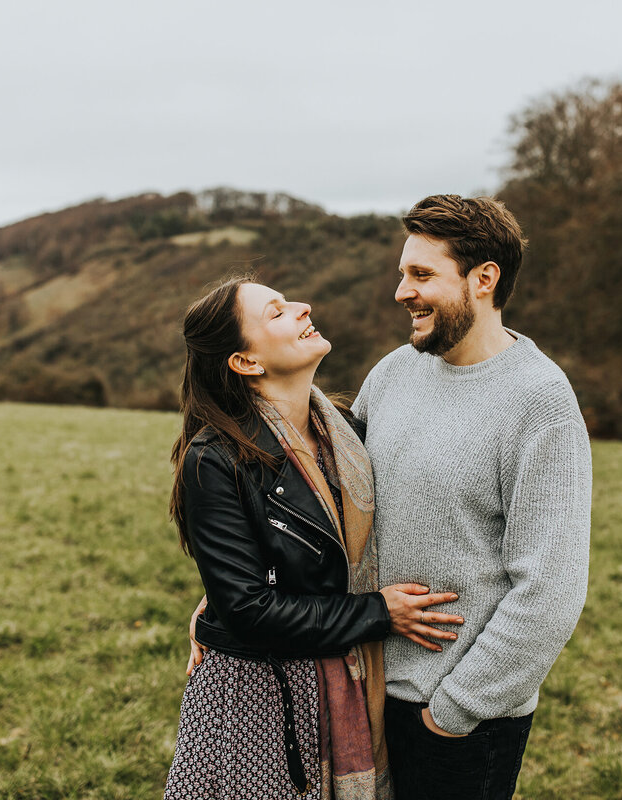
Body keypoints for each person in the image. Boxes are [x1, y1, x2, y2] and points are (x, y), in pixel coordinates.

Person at [165, 277, 464, 800]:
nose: (303, 308)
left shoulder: (344, 436)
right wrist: (378, 612)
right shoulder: (213, 459)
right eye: (277, 313)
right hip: (256, 705)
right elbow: (249, 609)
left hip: (346, 682)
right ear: (246, 362)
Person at [351, 194, 592, 800]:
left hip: (459, 721)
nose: (401, 291)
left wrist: (453, 712)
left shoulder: (540, 402)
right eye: (403, 272)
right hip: (365, 692)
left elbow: (551, 589)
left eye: (422, 275)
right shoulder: (390, 375)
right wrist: (226, 601)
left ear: (484, 279)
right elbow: (325, 507)